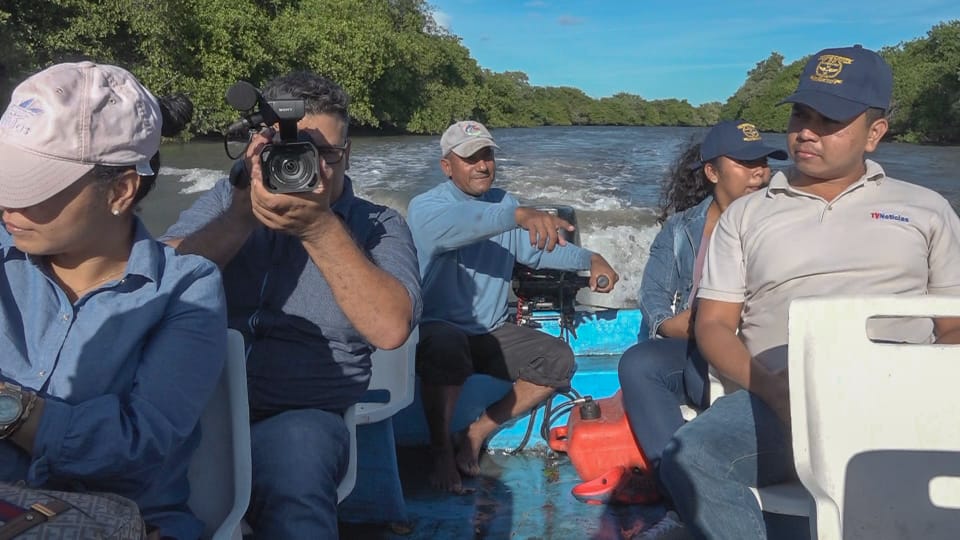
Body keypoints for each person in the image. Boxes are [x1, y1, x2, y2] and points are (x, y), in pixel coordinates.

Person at [658, 45, 960, 539]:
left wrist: (917, 393)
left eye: (830, 120)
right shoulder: (746, 215)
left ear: (875, 134)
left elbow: (954, 325)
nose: (806, 132)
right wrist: (770, 386)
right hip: (780, 399)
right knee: (689, 457)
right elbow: (713, 324)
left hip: (903, 392)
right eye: (801, 113)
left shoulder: (926, 209)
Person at [162, 71, 422, 539]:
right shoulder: (230, 200)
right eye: (297, 150)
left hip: (302, 414)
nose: (314, 168)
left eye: (328, 154)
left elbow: (390, 328)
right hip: (195, 403)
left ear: (348, 152)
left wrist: (319, 228)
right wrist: (242, 215)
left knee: (295, 455)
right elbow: (158, 284)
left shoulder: (380, 224)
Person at [0, 61, 226, 539]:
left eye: (32, 187)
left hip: (128, 522)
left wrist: (9, 408)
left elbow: (134, 448)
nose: (7, 204)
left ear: (121, 190)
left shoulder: (186, 290)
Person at [407, 120, 620, 493]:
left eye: (487, 155)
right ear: (447, 166)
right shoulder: (426, 208)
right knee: (445, 346)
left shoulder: (504, 203)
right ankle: (441, 450)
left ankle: (474, 434)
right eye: (471, 158)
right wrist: (518, 215)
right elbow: (466, 223)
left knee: (558, 360)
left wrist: (591, 258)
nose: (483, 165)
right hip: (437, 327)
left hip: (490, 330)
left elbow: (537, 248)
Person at [619, 121, 787, 489]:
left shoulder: (787, 220)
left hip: (767, 347)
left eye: (763, 161)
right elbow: (655, 305)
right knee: (639, 362)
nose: (759, 172)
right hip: (701, 346)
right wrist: (707, 324)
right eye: (745, 162)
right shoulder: (680, 229)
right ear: (712, 171)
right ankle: (678, 483)